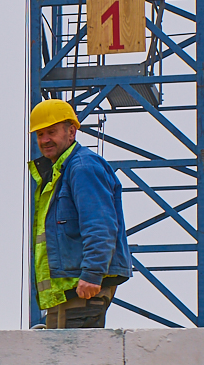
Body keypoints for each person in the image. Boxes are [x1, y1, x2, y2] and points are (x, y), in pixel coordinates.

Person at [28, 99, 132, 329]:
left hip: (81, 288)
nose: (45, 140)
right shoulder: (59, 172)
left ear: (71, 132)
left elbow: (100, 224)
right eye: (40, 134)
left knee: (72, 362)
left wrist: (93, 274)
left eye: (52, 132)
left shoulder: (83, 167)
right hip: (67, 290)